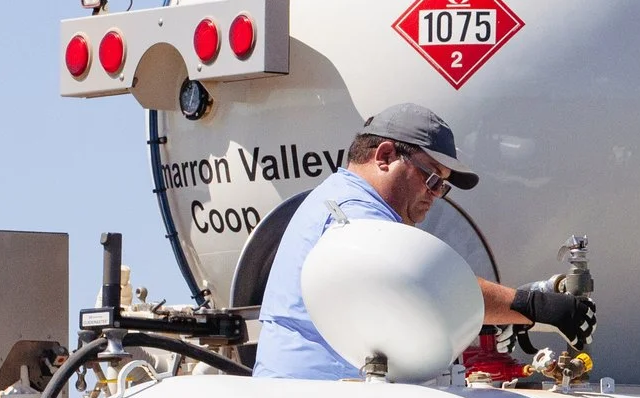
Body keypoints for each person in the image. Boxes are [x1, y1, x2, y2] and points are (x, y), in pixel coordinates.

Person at [252, 103, 593, 380]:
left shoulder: (340, 199)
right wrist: (531, 307)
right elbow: (425, 282)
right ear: (385, 156)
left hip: (312, 397)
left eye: (442, 186)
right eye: (431, 178)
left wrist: (500, 314)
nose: (435, 195)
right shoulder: (353, 210)